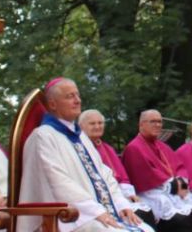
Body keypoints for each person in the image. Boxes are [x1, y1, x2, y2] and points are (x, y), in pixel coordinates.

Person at [18, 78, 154, 232]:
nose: (77, 100)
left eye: (77, 95)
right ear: (53, 104)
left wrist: (120, 204)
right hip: (68, 218)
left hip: (98, 213)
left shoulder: (80, 136)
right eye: (69, 96)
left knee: (146, 229)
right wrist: (95, 211)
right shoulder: (43, 136)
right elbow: (57, 181)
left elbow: (104, 174)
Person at [122, 110, 192, 232]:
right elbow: (146, 177)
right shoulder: (134, 148)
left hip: (174, 191)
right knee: (179, 219)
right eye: (153, 121)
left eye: (160, 122)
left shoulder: (162, 146)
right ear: (141, 125)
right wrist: (174, 186)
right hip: (152, 193)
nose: (157, 125)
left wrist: (181, 185)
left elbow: (180, 168)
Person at [78, 109, 157, 228]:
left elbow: (122, 177)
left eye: (100, 123)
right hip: (99, 198)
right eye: (92, 123)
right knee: (140, 215)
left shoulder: (108, 148)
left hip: (118, 193)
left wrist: (128, 193)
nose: (97, 126)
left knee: (146, 211)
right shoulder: (80, 149)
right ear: (81, 126)